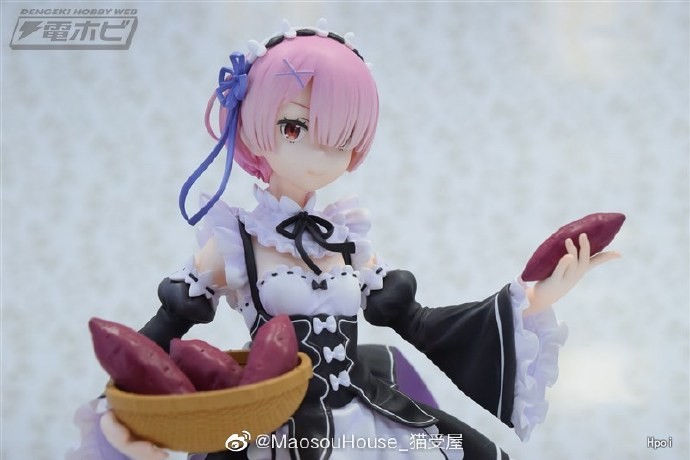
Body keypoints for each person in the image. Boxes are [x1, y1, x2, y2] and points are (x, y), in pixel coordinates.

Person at [68, 19, 619, 460]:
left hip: (365, 421)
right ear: (255, 123)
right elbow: (160, 338)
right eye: (294, 127)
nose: (319, 154)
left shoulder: (349, 236)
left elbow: (420, 325)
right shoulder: (235, 240)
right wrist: (119, 409)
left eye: (341, 139)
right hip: (274, 430)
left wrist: (534, 298)